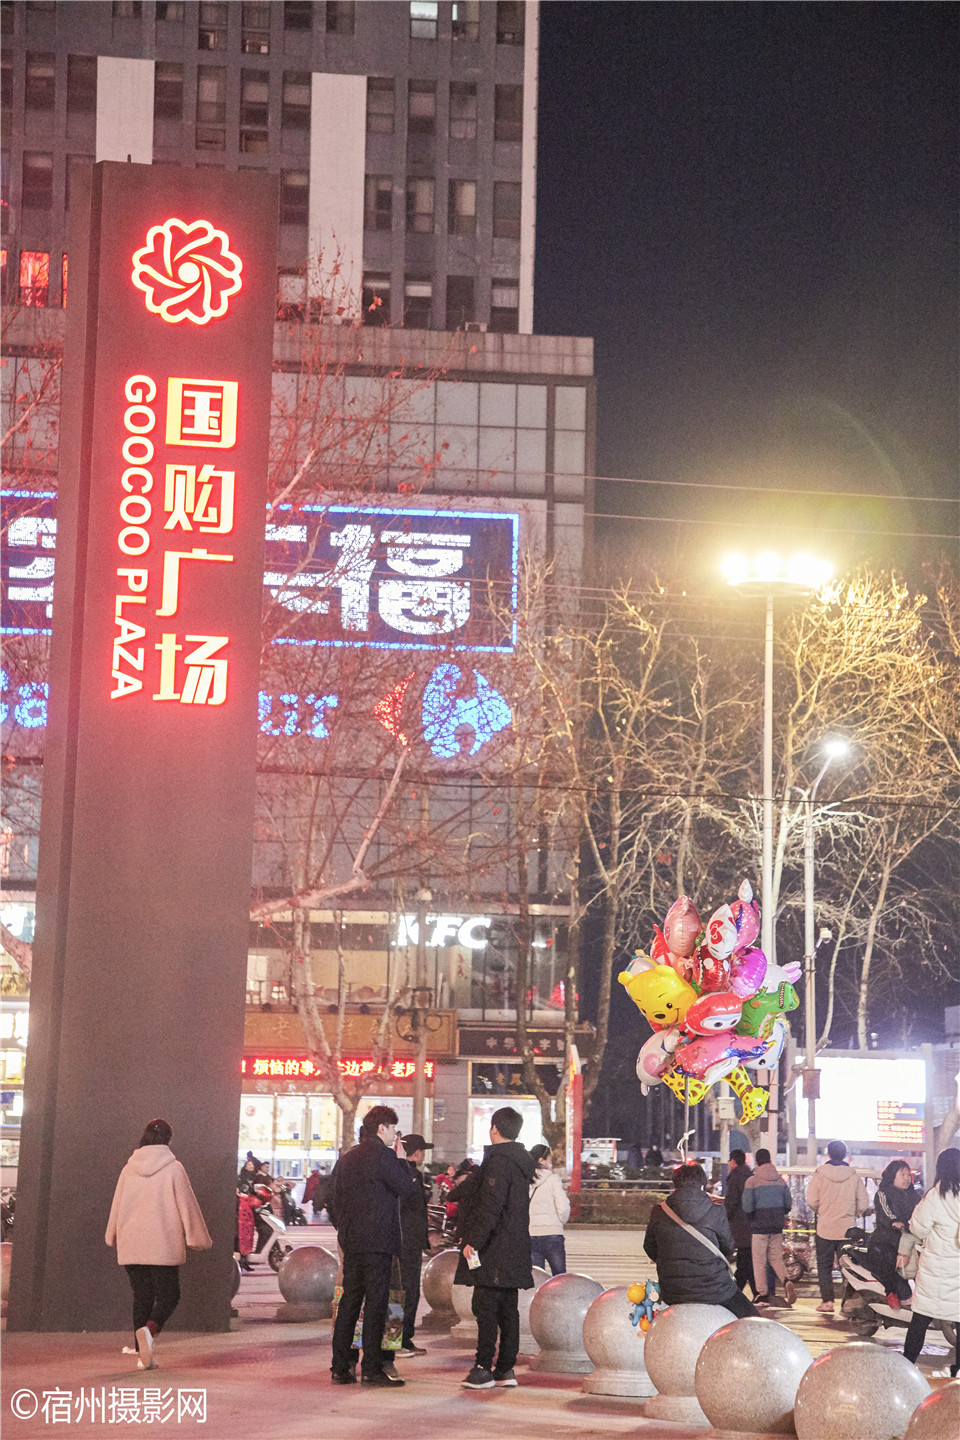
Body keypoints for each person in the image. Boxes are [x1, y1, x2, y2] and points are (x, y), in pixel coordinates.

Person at [105, 1118, 212, 1371]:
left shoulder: (128, 1168)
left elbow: (117, 1205)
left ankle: (141, 1350)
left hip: (131, 1243)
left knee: (141, 1295)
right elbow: (188, 1206)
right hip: (162, 1243)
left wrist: (111, 1234)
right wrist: (198, 1238)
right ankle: (149, 1332)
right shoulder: (174, 1168)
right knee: (170, 1296)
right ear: (168, 1139)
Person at [327, 1104, 417, 1388]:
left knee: (349, 1304)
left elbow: (332, 1200)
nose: (394, 1135)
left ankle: (340, 1368)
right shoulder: (384, 1156)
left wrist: (344, 1228)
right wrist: (403, 1160)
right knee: (376, 1306)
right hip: (379, 1244)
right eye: (392, 1129)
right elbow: (406, 1188)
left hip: (353, 1242)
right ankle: (371, 1368)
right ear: (382, 1128)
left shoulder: (347, 1158)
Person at [455, 1106, 537, 1390]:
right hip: (513, 1247)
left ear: (494, 1129)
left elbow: (491, 1206)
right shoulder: (520, 1162)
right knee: (507, 1310)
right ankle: (505, 1369)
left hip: (494, 1248)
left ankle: (483, 1368)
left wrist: (474, 1241)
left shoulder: (499, 1161)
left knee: (485, 1307)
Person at [643, 1162, 760, 1319]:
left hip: (672, 1291)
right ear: (702, 1184)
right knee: (752, 1319)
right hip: (715, 1289)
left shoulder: (659, 1211)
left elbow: (649, 1248)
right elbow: (728, 1248)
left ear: (674, 1183)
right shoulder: (716, 1211)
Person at [902, 1148, 960, 1378]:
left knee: (920, 1320)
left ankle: (906, 1366)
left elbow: (918, 1227)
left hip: (936, 1270)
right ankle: (957, 1370)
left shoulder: (936, 1196)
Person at [805, 1139, 871, 1314]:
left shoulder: (820, 1174)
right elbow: (863, 1202)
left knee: (824, 1266)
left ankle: (827, 1302)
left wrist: (823, 1210)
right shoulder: (853, 1175)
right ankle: (847, 1304)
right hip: (847, 1229)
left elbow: (811, 1199)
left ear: (828, 1154)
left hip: (825, 1228)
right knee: (848, 1268)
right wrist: (855, 1213)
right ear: (845, 1155)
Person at [741, 1148, 796, 1305]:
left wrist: (752, 1218)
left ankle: (762, 1294)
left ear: (756, 1162)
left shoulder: (752, 1181)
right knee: (776, 1258)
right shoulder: (780, 1181)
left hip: (759, 1225)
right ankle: (786, 1281)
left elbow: (747, 1206)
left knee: (759, 1260)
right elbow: (788, 1204)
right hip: (776, 1225)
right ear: (770, 1160)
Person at [396, 1132, 433, 1358]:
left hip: (410, 1241)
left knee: (409, 1292)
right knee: (403, 1292)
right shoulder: (405, 1174)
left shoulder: (409, 1174)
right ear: (417, 1153)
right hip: (404, 1242)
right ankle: (396, 1339)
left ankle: (405, 1338)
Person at [868, 1159, 918, 1307]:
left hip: (909, 1238)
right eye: (902, 1174)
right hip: (886, 1240)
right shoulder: (883, 1194)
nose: (906, 1178)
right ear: (892, 1176)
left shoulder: (914, 1195)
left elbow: (922, 1212)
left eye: (908, 1174)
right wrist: (895, 1222)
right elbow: (886, 1214)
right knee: (891, 1261)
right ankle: (892, 1293)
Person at [528, 1143, 570, 1275]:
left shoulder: (525, 1180)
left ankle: (537, 1296)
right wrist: (560, 1222)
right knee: (559, 1277)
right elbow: (562, 1207)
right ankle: (557, 1297)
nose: (551, 1163)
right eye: (550, 1160)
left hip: (531, 1234)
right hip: (552, 1234)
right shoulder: (553, 1180)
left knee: (537, 1277)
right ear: (542, 1160)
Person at [723, 1149, 757, 1298]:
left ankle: (736, 1292)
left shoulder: (735, 1177)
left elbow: (731, 1202)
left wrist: (725, 1217)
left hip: (739, 1223)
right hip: (752, 1223)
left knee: (744, 1258)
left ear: (733, 1161)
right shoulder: (750, 1175)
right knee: (747, 1257)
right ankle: (755, 1291)